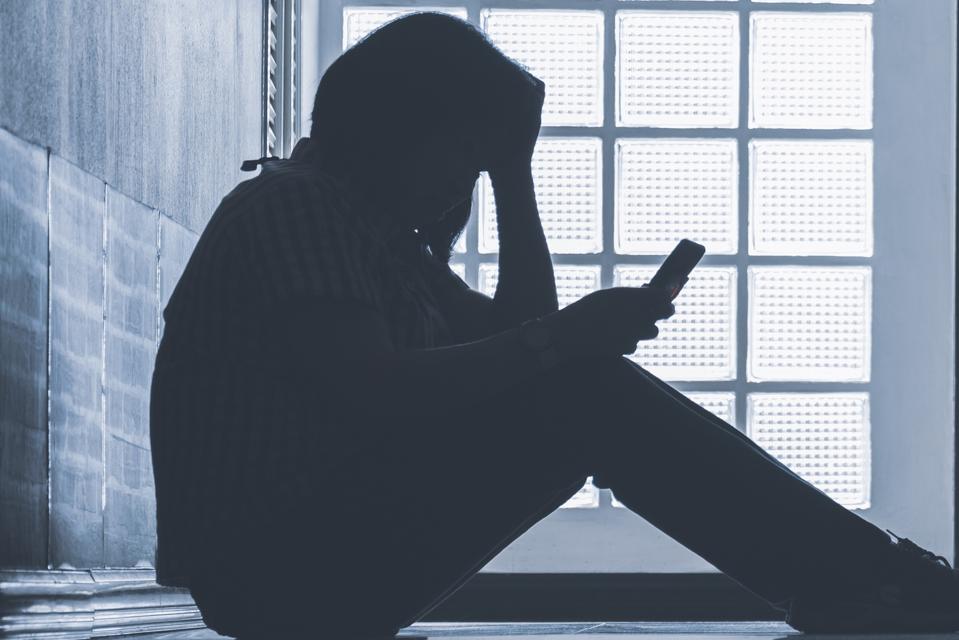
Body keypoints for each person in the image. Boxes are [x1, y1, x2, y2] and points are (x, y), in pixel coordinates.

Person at [150, 11, 959, 639]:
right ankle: (865, 579)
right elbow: (377, 392)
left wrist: (513, 174)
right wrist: (565, 341)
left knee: (574, 383)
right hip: (280, 570)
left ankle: (855, 579)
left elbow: (524, 344)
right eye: (466, 154)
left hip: (305, 561)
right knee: (582, 390)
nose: (462, 182)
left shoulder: (372, 235)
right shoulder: (296, 206)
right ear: (403, 129)